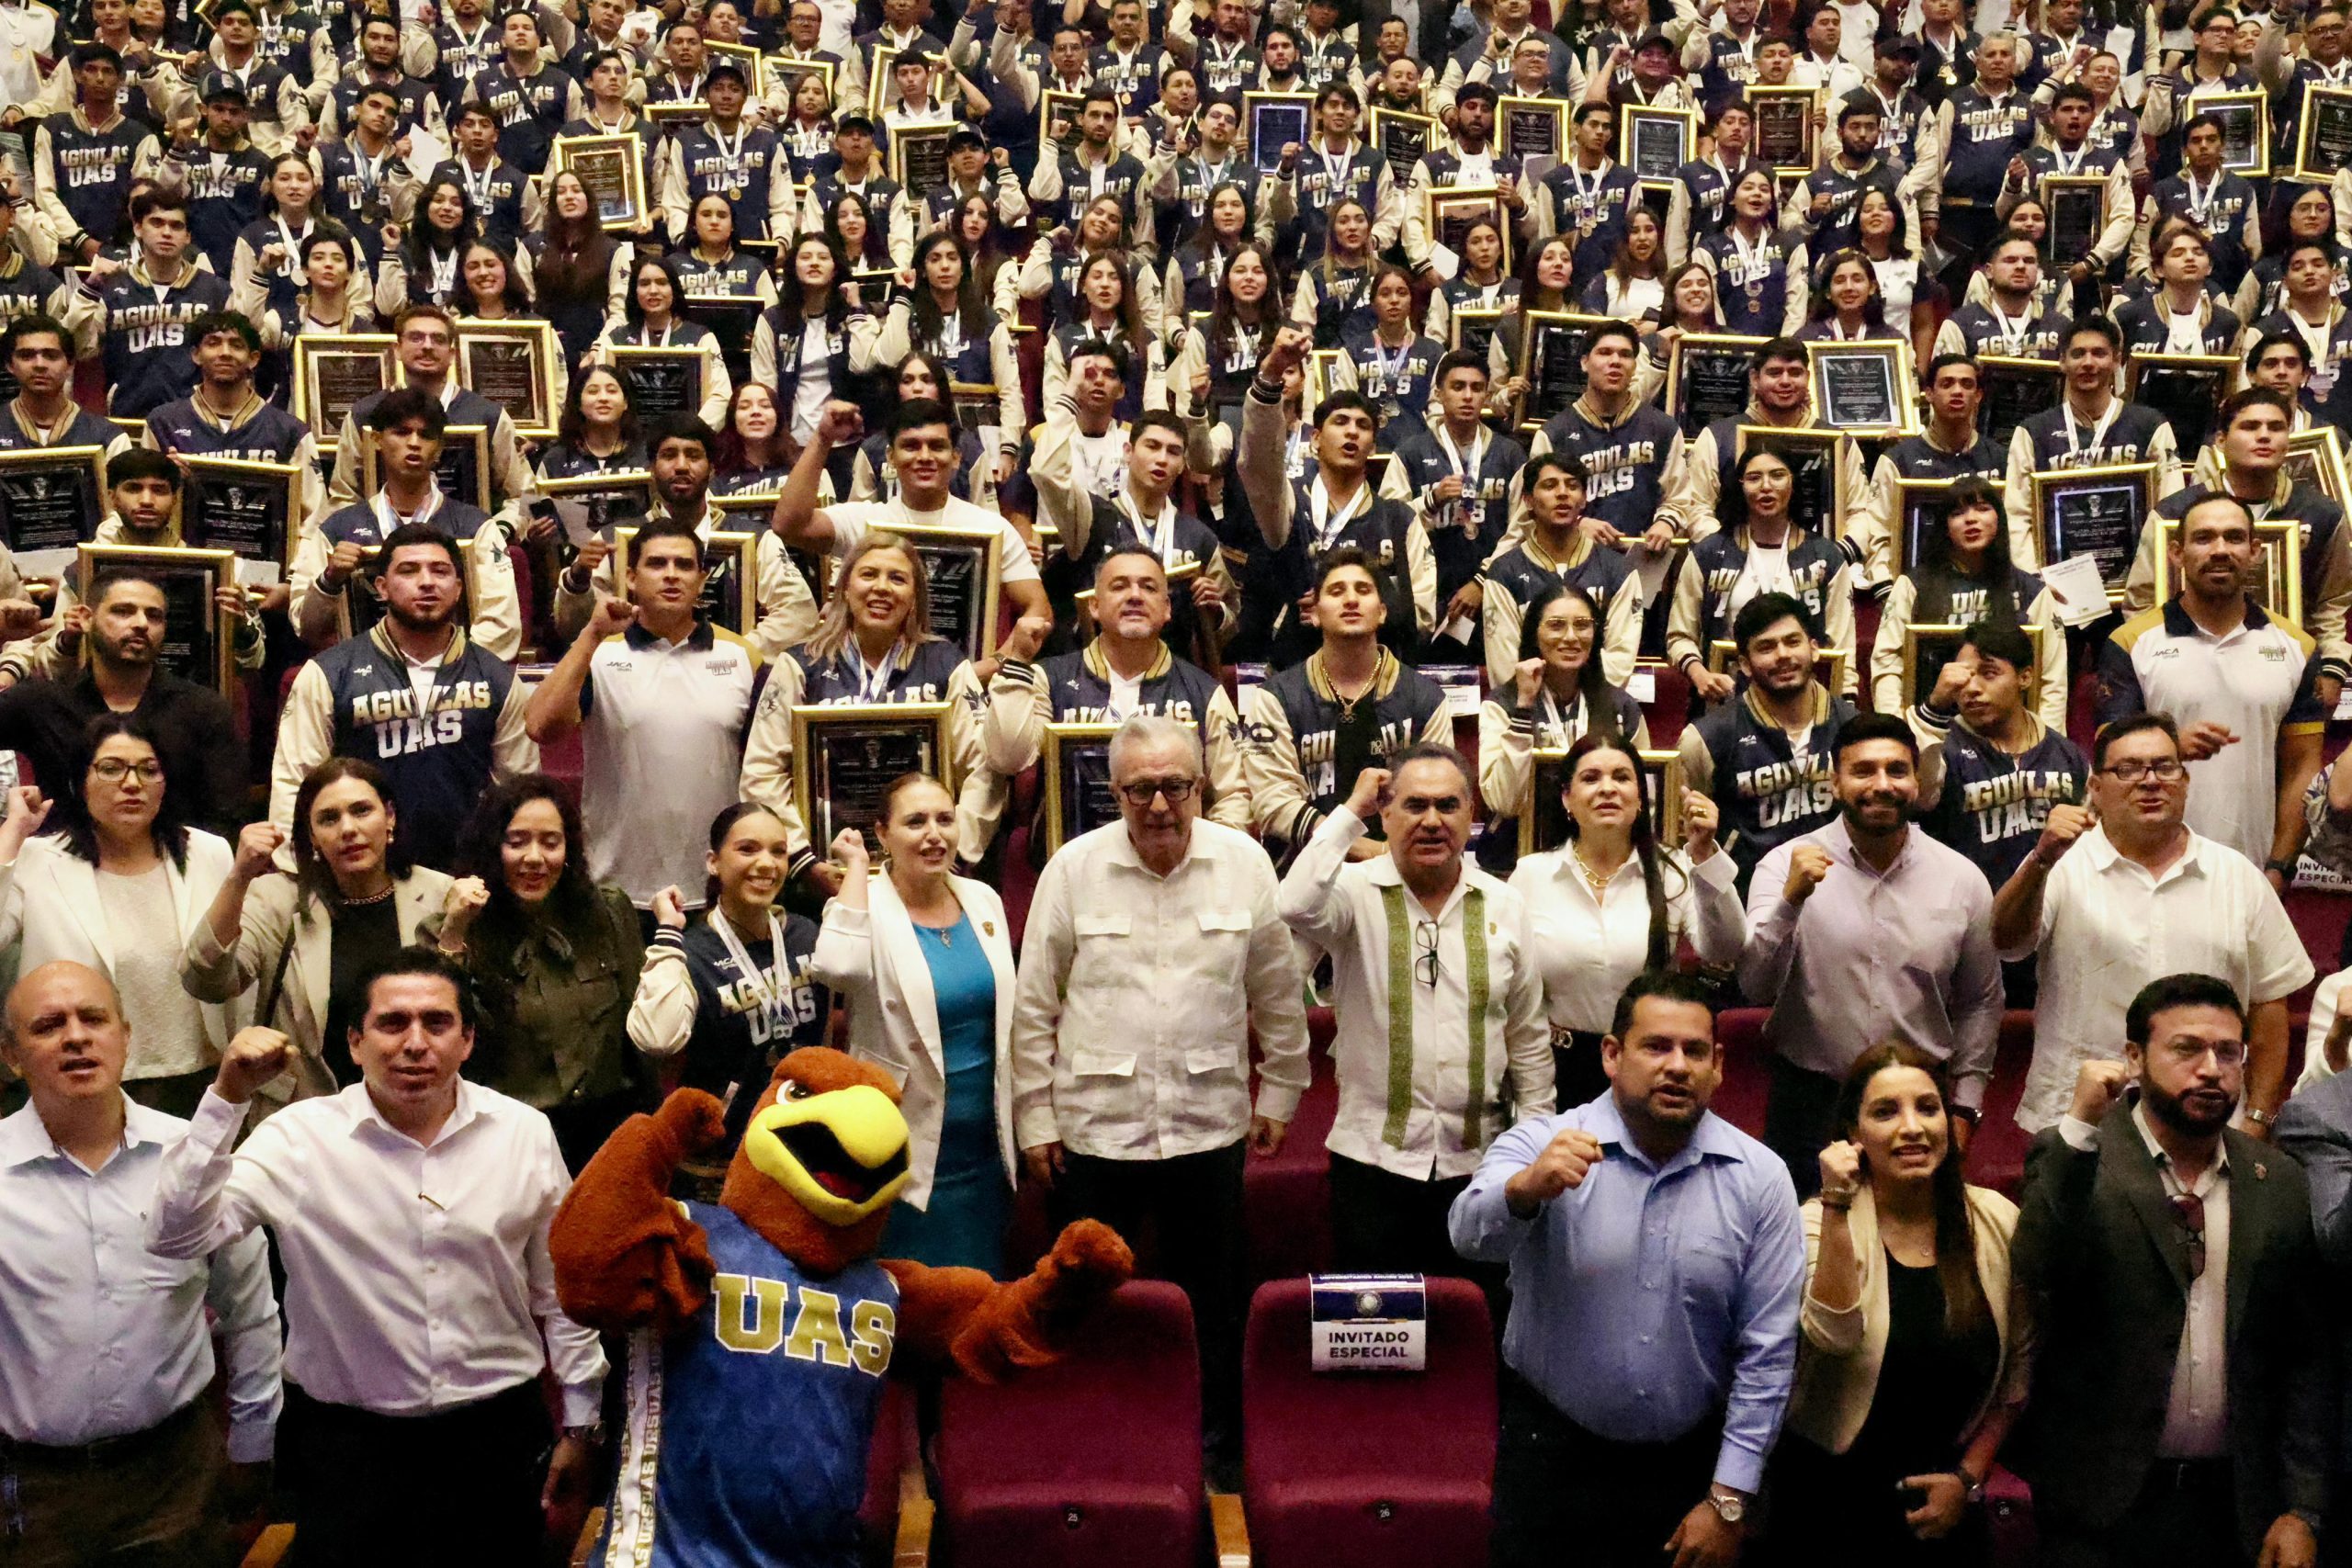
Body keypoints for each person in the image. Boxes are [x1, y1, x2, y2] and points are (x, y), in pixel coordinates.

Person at [147, 953, 607, 1568]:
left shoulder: (522, 1132)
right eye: (392, 1023)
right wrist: (227, 1098)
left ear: (467, 1040)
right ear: (355, 1043)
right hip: (349, 1449)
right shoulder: (297, 1138)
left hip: (494, 1436)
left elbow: (562, 1289)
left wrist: (581, 1422)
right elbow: (174, 1236)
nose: (415, 1043)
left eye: (437, 1022)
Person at [1012, 713, 1308, 1468]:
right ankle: (1084, 1444)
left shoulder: (1244, 863)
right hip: (1095, 1130)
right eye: (1139, 789)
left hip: (1208, 1125)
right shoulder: (1072, 869)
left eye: (1175, 786)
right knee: (1080, 1298)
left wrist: (1280, 1090)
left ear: (1201, 786)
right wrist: (1034, 1114)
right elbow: (1034, 1003)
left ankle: (1211, 1454)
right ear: (1114, 792)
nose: (1158, 805)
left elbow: (1278, 991)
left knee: (1211, 1302)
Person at [1451, 969, 1804, 1568]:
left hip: (1689, 1468)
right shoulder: (1542, 1144)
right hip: (1553, 1458)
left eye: (1694, 1051)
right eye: (1656, 1046)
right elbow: (1467, 1235)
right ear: (1612, 1055)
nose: (1677, 1066)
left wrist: (1728, 1500)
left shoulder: (1761, 1178)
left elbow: (1767, 1352)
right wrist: (1526, 1189)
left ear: (1718, 1065)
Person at [2009, 976, 2328, 1568]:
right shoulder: (2081, 1157)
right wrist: (2079, 1124)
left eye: (2228, 1052)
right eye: (2187, 1049)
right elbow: (2037, 1268)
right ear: (2134, 1057)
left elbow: (2302, 1355)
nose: (2211, 1069)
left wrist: (2302, 1506)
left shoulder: (2277, 1180)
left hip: (2234, 1509)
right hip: (2098, 1510)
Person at [0, 959, 279, 1566]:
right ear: (11, 1056)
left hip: (179, 1475)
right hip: (37, 1491)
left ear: (126, 1037)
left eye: (93, 1018)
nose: (76, 1037)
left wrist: (254, 1443)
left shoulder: (196, 1154)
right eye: (49, 1025)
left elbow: (251, 1313)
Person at [1280, 744, 1551, 1272]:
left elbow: (1527, 1035)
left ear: (1470, 813)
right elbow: (1293, 904)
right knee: (1383, 1318)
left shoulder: (1505, 903)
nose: (1432, 821)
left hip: (1481, 1162)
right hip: (1372, 1164)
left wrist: (1534, 1139)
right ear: (1385, 815)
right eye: (1415, 805)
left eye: (1447, 805)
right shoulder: (1352, 894)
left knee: (1475, 1313)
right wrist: (1349, 812)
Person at [1992, 714, 2313, 1135]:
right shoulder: (2061, 864)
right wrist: (2040, 859)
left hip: (2207, 1124)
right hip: (2080, 1121)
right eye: (2128, 769)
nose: (2150, 781)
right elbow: (2006, 941)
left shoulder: (2237, 876)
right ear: (2096, 788)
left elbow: (2269, 1007)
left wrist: (2257, 1120)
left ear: (2185, 781)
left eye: (2165, 767)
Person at [1768, 1043, 2023, 1567]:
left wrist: (1967, 1478)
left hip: (1945, 1504)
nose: (1912, 1128)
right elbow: (1834, 1335)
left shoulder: (1996, 1220)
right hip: (1827, 1504)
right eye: (1886, 1112)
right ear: (1854, 1133)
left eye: (1928, 1108)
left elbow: (2019, 1370)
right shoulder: (1814, 1221)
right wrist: (1837, 1203)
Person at [1739, 713, 2005, 1190]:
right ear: (1835, 783)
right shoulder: (1783, 866)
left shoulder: (1962, 879)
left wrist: (1966, 1108)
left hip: (1918, 1102)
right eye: (1863, 771)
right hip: (1811, 1105)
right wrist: (1790, 902)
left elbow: (1980, 1001)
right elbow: (1753, 985)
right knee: (1810, 1234)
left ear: (1916, 783)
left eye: (1896, 770)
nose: (1882, 785)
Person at [816, 773, 1019, 1273]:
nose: (934, 835)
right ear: (882, 834)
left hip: (985, 1148)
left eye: (945, 819)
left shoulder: (984, 899)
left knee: (980, 1296)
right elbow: (837, 969)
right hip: (904, 1149)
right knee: (911, 1295)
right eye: (915, 822)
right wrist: (857, 867)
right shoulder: (862, 904)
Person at [527, 517, 762, 921]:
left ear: (702, 580)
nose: (671, 575)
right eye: (657, 564)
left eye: (684, 565)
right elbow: (539, 727)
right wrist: (591, 633)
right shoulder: (600, 652)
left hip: (717, 888)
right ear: (631, 578)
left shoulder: (745, 657)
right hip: (616, 889)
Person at [0, 717, 237, 1115]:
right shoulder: (38, 859)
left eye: (149, 770)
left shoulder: (209, 853)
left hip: (198, 1075)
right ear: (80, 781)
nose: (132, 783)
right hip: (79, 1076)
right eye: (111, 769)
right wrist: (13, 830)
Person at [186, 759, 459, 1102]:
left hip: (416, 1103)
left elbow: (463, 1013)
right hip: (307, 1111)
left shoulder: (439, 895)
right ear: (312, 836)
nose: (348, 829)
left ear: (389, 816)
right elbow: (206, 981)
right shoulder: (278, 900)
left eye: (361, 811)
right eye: (329, 818)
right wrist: (239, 877)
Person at [271, 524, 538, 874]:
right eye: (409, 571)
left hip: (467, 875)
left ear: (459, 588)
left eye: (440, 571)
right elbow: (295, 783)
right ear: (382, 587)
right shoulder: (328, 674)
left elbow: (521, 793)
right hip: (360, 877)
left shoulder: (497, 677)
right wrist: (296, 874)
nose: (426, 582)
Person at [738, 530, 987, 895]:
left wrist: (955, 850)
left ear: (914, 596)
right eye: (869, 574)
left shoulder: (946, 664)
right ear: (844, 589)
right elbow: (762, 773)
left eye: (897, 578)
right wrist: (803, 860)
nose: (882, 588)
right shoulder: (800, 665)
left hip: (926, 874)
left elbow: (981, 768)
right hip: (823, 875)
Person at [2096, 493, 2327, 875]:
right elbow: (2109, 759)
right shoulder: (2130, 644)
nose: (2220, 550)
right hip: (2146, 870)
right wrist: (2171, 747)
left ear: (2255, 551)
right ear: (2177, 553)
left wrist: (2279, 869)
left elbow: (2303, 770)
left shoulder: (2297, 647)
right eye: (2203, 538)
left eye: (2234, 537)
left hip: (2251, 870)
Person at [1509, 729, 1743, 1105]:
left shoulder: (1673, 871)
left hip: (1649, 1065)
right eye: (1590, 778)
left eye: (1621, 777)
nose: (1607, 789)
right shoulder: (1531, 876)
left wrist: (1704, 856)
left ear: (1639, 797)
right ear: (1567, 798)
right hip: (1557, 1067)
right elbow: (1515, 995)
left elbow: (1725, 947)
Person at [434, 775, 647, 1172]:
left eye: (550, 842)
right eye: (517, 842)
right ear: (492, 848)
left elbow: (639, 1035)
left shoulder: (609, 913)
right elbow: (442, 1038)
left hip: (608, 1129)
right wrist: (455, 932)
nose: (535, 858)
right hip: (510, 1138)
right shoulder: (453, 929)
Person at [628, 802, 830, 1194]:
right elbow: (657, 1039)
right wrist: (668, 931)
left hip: (799, 1151)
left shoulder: (807, 934)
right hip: (718, 1169)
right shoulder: (690, 951)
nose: (766, 864)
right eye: (748, 849)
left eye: (778, 851)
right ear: (713, 862)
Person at [982, 548, 1251, 829]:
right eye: (1119, 586)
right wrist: (1018, 660)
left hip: (1172, 854)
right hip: (1072, 853)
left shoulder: (1204, 692)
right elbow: (1007, 758)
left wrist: (1208, 853)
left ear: (1167, 608)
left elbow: (1233, 796)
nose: (1135, 596)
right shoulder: (1049, 680)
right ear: (1094, 606)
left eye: (1148, 587)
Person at [2126, 389, 2352, 710]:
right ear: (2221, 440)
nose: (2264, 436)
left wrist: (2331, 667)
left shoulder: (2323, 514)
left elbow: (2332, 602)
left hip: (2287, 675)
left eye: (2276, 427)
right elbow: (2143, 602)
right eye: (2250, 427)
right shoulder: (2173, 514)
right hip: (2188, 675)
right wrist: (2161, 667)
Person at [1239, 548, 1453, 869]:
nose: (1351, 600)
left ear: (1382, 612)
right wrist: (1367, 850)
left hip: (1401, 876)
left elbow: (1439, 793)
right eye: (1336, 591)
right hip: (1303, 876)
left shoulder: (1427, 700)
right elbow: (1273, 804)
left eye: (1363, 590)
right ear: (1314, 613)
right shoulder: (1273, 699)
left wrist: (1390, 859)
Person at [0, 570, 247, 838]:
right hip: (65, 859)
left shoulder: (203, 710)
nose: (141, 623)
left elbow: (225, 819)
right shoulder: (43, 702)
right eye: (123, 611)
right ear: (85, 619)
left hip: (174, 859)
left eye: (154, 616)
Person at [1239, 326, 1434, 663]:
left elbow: (1423, 616)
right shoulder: (1290, 506)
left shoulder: (1399, 519)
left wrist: (1346, 609)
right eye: (1340, 422)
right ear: (1315, 439)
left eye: (1363, 426)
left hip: (1378, 673)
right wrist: (1271, 374)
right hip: (1298, 672)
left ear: (1373, 446)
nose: (1352, 432)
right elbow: (1258, 463)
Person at [769, 398, 1052, 626]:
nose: (924, 457)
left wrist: (995, 664)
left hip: (967, 672)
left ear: (956, 458)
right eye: (911, 446)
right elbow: (789, 525)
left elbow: (1039, 610)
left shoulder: (992, 529)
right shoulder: (866, 521)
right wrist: (823, 438)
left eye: (937, 446)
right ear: (891, 457)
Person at [292, 386, 524, 659]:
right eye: (401, 432)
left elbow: (502, 624)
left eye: (425, 435)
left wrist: (443, 667)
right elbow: (305, 627)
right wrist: (329, 581)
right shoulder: (338, 529)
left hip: (455, 673)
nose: (414, 442)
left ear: (439, 449)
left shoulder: (476, 528)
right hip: (363, 676)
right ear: (377, 440)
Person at [1907, 619, 2092, 917]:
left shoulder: (2067, 755)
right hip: (1963, 917)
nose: (1972, 688)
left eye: (1989, 673)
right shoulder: (1941, 749)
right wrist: (1935, 708)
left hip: (2051, 916)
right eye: (1963, 677)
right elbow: (1919, 794)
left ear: (2025, 677)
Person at [1679, 592, 1860, 888]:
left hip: (1839, 893)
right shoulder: (1706, 739)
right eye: (1766, 647)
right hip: (1746, 897)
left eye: (1793, 642)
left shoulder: (1853, 727)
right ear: (1745, 664)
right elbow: (1687, 839)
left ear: (1814, 649)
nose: (1782, 655)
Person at [1669, 442, 1860, 705]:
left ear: (1793, 483)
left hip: (1804, 702)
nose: (1766, 486)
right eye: (1754, 478)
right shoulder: (1708, 554)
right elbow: (1679, 636)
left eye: (1777, 475)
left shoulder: (1825, 557)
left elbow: (1843, 647)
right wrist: (1700, 674)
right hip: (1726, 701)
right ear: (1740, 486)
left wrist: (1846, 701)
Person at [1871, 475, 2067, 727]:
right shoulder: (1912, 586)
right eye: (1958, 513)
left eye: (1983, 508)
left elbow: (2052, 679)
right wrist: (1897, 731)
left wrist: (2044, 740)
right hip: (1932, 727)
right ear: (1945, 526)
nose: (1971, 519)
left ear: (2000, 519)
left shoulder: (2031, 591)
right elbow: (1887, 662)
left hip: (2009, 732)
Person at [2002, 316, 2184, 569]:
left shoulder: (2150, 425)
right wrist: (2034, 579)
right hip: (2056, 580)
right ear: (2062, 361)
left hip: (2137, 575)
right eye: (2078, 354)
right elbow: (2017, 516)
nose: (2088, 363)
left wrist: (2153, 575)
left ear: (2116, 359)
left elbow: (2170, 508)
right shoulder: (2033, 431)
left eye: (2099, 353)